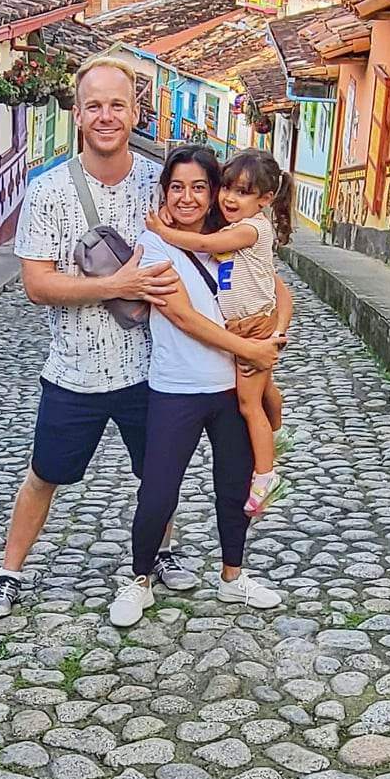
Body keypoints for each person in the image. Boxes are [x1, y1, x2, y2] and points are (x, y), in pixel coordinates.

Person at [0, 55, 186, 621]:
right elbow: (37, 284)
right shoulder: (47, 192)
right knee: (45, 472)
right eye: (94, 104)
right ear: (77, 113)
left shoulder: (161, 186)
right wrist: (115, 284)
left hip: (153, 366)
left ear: (136, 112)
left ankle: (163, 551)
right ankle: (8, 571)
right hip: (75, 369)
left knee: (158, 471)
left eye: (117, 104)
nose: (106, 115)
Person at [111, 146, 288, 630]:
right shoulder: (156, 248)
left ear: (214, 192)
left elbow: (278, 290)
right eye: (177, 186)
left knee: (233, 488)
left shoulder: (231, 240)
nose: (187, 197)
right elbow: (184, 317)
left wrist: (277, 335)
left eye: (199, 187)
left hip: (230, 390)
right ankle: (140, 580)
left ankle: (233, 577)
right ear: (165, 191)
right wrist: (249, 350)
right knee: (158, 493)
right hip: (177, 388)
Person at [147, 147, 292, 515]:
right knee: (264, 392)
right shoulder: (236, 229)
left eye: (242, 192)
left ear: (264, 200)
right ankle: (278, 434)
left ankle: (266, 472)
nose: (230, 197)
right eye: (227, 188)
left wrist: (165, 231)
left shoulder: (248, 230)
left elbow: (206, 245)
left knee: (248, 404)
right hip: (248, 332)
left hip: (252, 331)